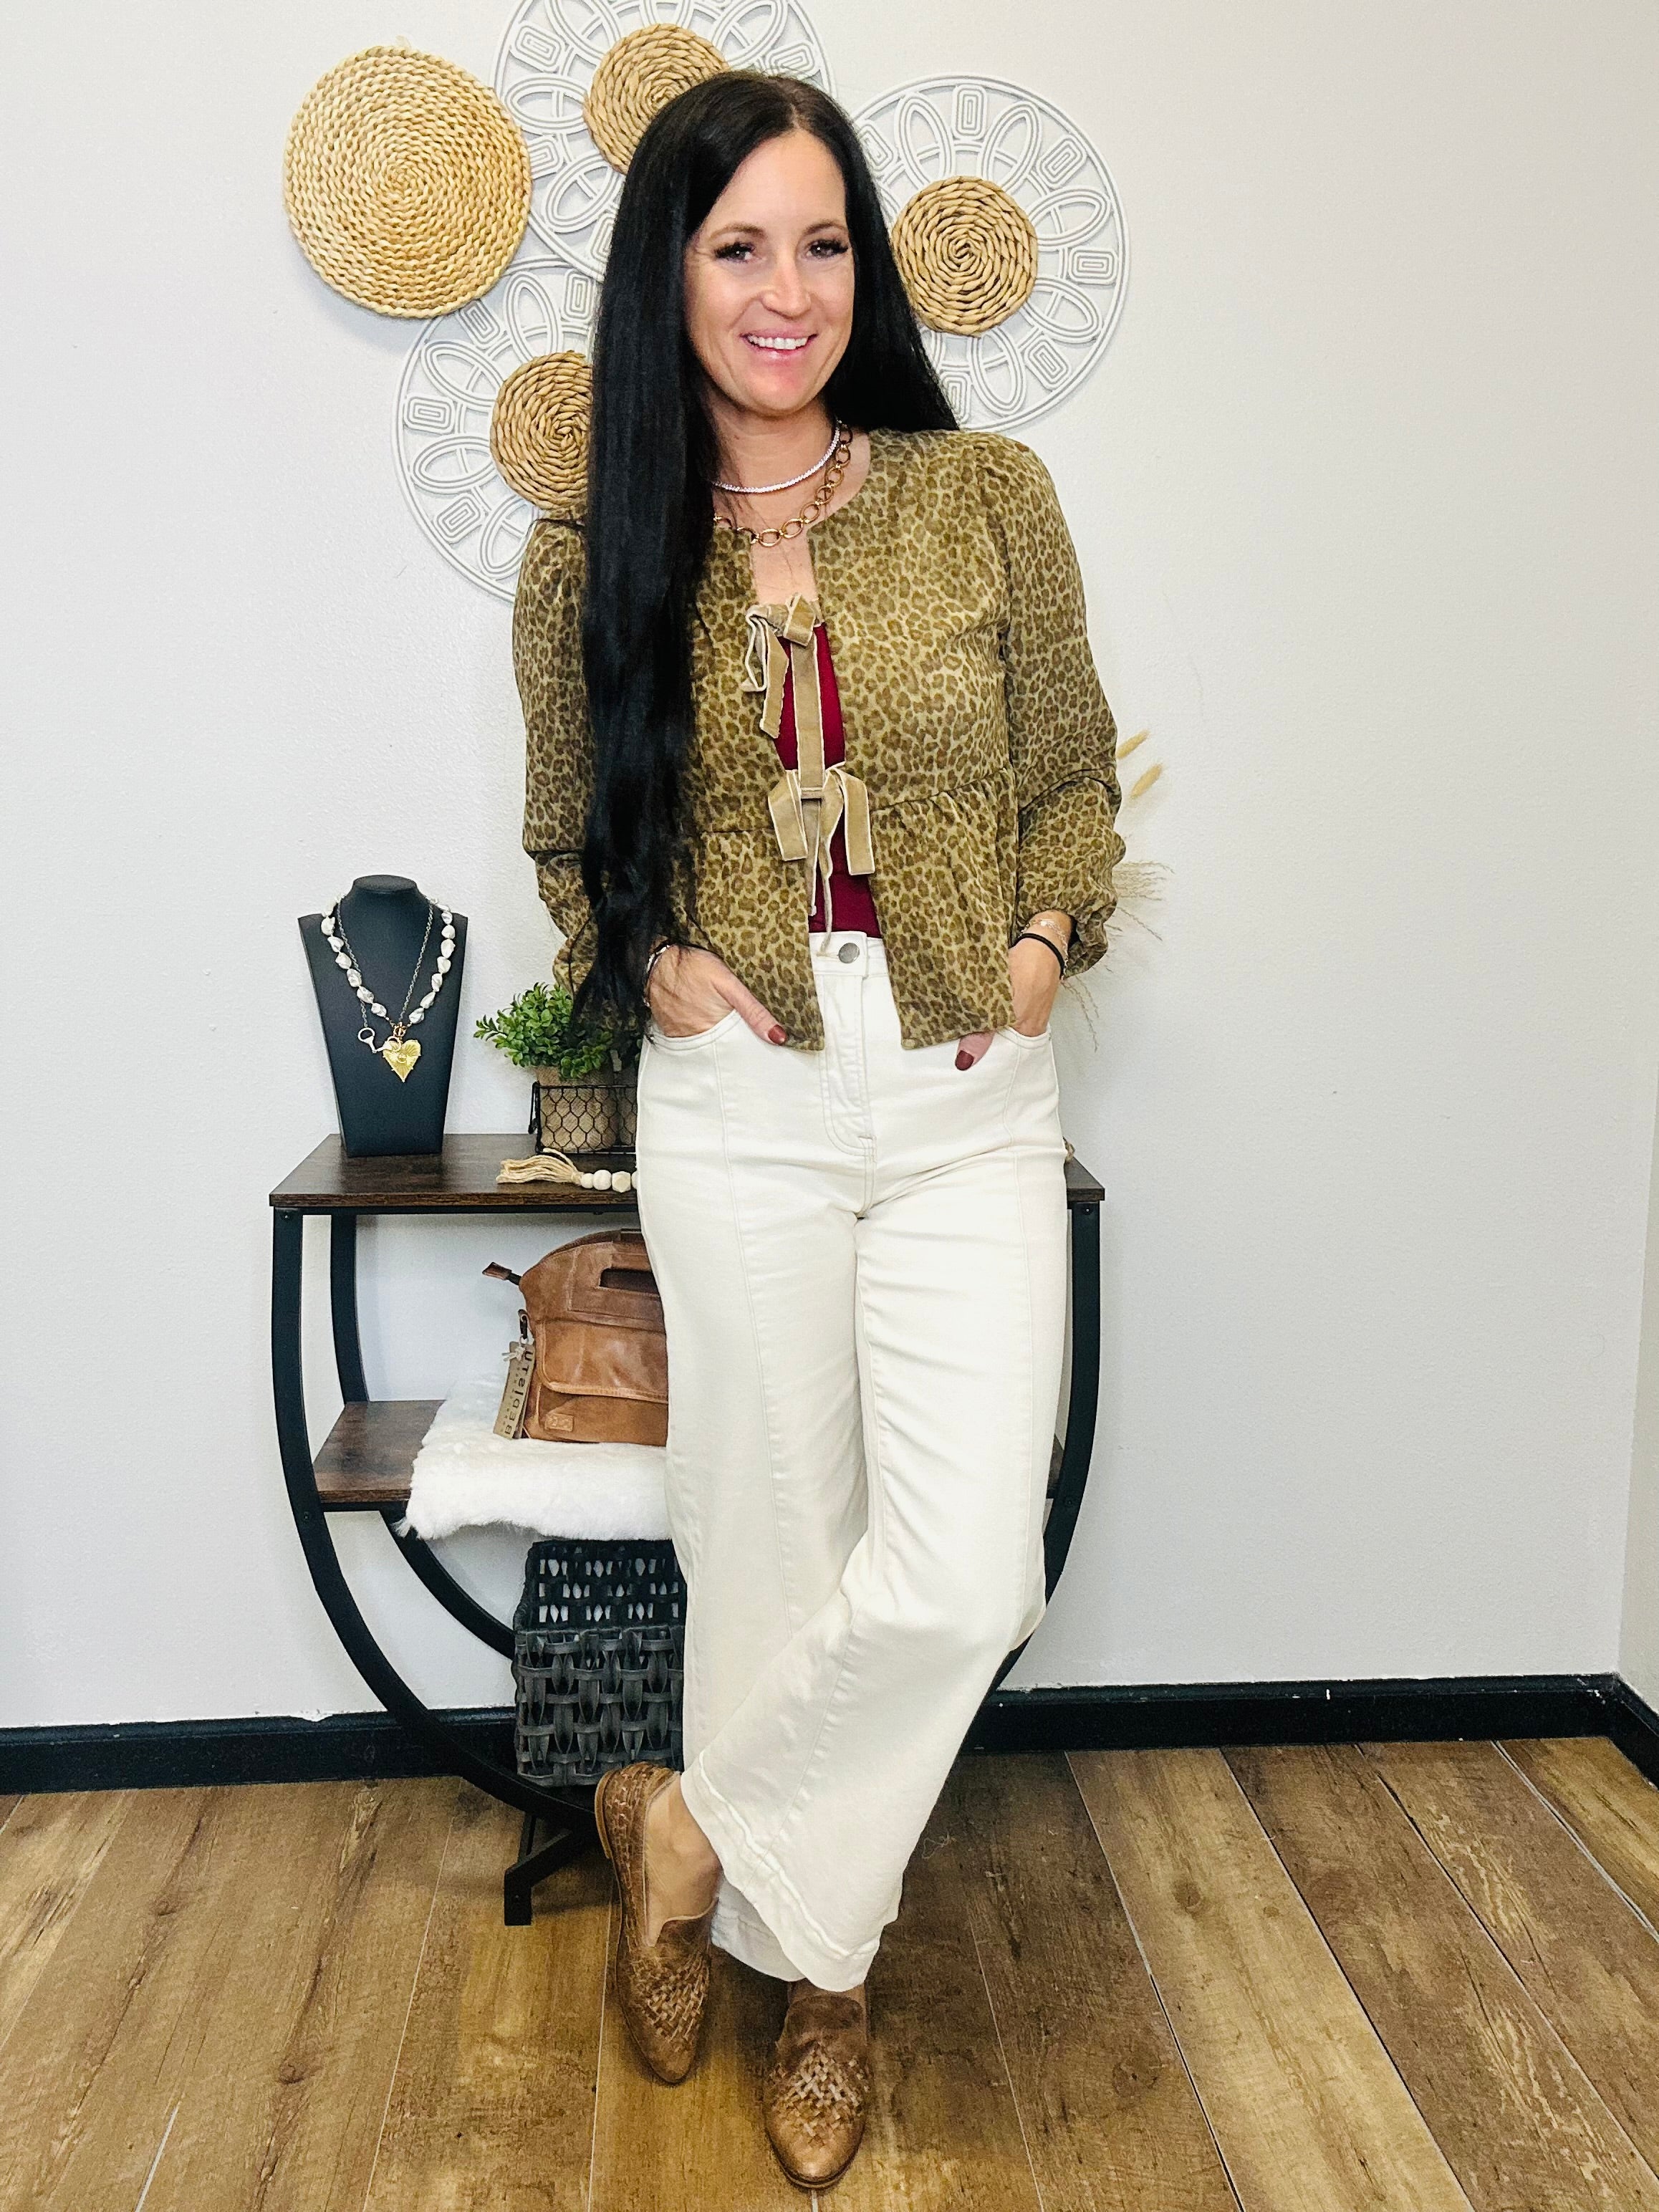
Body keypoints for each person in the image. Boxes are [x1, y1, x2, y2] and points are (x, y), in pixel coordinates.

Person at [514, 68, 1123, 2191]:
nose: (789, 291)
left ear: (865, 266)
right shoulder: (593, 552)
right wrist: (656, 958)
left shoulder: (985, 497)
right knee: (770, 1548)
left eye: (824, 242)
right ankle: (827, 1985)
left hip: (961, 1094)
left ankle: (680, 1831)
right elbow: (571, 839)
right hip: (745, 1106)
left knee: (963, 1575)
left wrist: (1039, 943)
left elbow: (1068, 775)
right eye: (739, 246)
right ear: (669, 276)